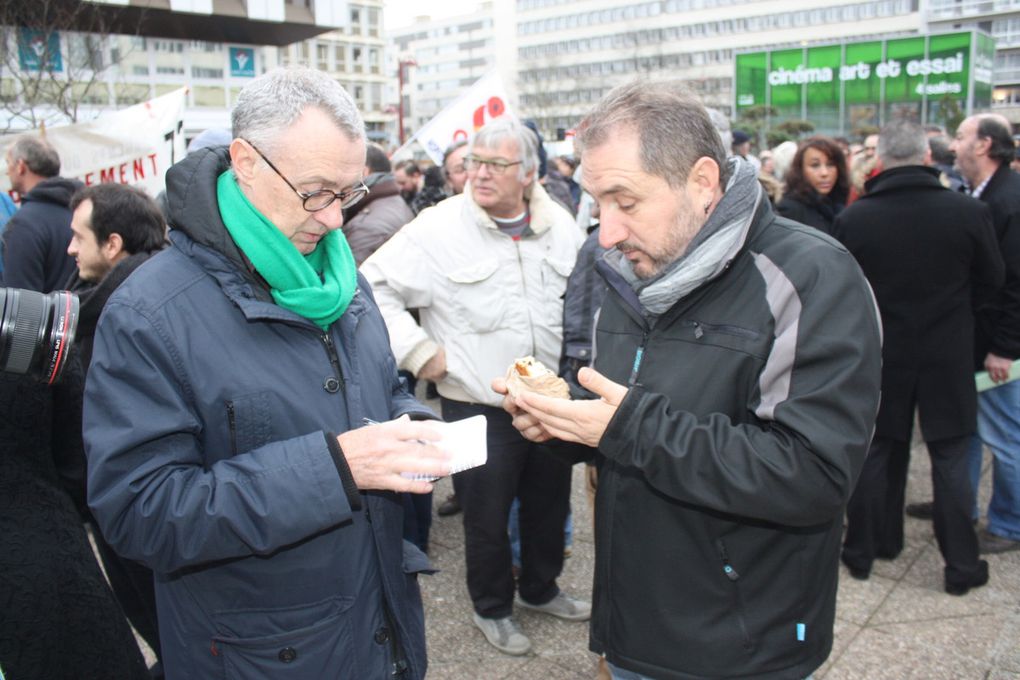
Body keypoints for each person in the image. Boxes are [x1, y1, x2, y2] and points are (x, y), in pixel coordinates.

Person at [494, 80, 882, 680]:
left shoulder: (811, 276)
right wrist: (567, 423)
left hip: (742, 643)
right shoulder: (628, 274)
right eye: (598, 205)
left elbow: (813, 474)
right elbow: (632, 413)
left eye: (626, 201)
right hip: (632, 626)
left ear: (703, 183)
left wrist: (624, 428)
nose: (607, 233)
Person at [83, 67, 451, 680]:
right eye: (316, 192)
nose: (335, 220)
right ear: (246, 163)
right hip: (259, 655)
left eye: (349, 192)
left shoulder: (341, 279)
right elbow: (141, 512)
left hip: (378, 624)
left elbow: (380, 387)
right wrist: (335, 468)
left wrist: (410, 425)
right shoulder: (150, 313)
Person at [362, 116, 587, 657]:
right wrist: (420, 353)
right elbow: (369, 286)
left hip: (548, 402)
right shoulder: (438, 228)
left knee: (549, 505)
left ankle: (540, 588)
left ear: (529, 173)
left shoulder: (560, 226)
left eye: (496, 164)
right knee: (486, 517)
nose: (479, 174)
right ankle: (493, 609)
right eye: (474, 162)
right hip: (476, 404)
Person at [833, 118, 1002, 595]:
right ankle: (961, 567)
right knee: (950, 455)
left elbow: (844, 294)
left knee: (878, 451)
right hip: (947, 351)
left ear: (881, 160)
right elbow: (992, 280)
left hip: (883, 352)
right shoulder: (967, 212)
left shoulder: (856, 218)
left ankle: (865, 549)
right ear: (929, 157)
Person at [62, 183, 170, 675]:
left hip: (143, 506)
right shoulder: (89, 301)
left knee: (165, 619)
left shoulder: (138, 308)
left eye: (78, 238)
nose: (69, 248)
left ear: (112, 244)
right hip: (109, 499)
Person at [947, 113, 1020, 554]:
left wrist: (1004, 348)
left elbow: (1014, 283)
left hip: (997, 350)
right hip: (977, 342)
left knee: (1005, 436)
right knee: (969, 430)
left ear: (983, 145)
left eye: (960, 137)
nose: (952, 146)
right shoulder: (985, 194)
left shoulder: (1008, 200)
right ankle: (962, 508)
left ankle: (1009, 524)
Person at [3, 135, 81, 292]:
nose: (7, 172)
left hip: (45, 315)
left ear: (20, 166)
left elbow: (20, 305)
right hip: (83, 314)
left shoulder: (23, 225)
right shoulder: (85, 211)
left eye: (8, 164)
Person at [342, 142, 415, 266]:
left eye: (344, 170)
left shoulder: (366, 227)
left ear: (363, 172)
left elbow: (350, 281)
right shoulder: (392, 200)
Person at [777, 136, 849, 234]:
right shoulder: (790, 210)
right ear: (800, 169)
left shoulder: (842, 205)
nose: (824, 173)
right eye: (815, 165)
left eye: (830, 164)